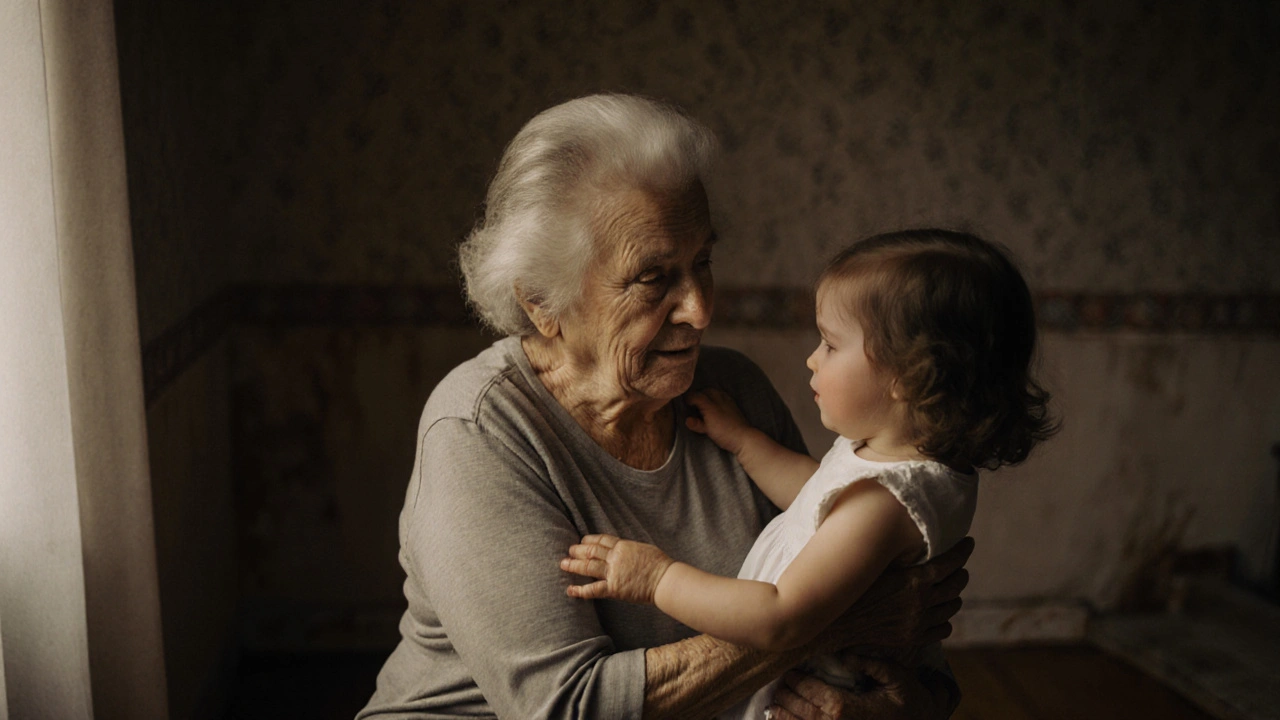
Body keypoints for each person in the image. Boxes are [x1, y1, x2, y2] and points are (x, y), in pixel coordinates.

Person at [358, 95, 971, 720]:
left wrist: (900, 705)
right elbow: (566, 709)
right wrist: (821, 623)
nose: (700, 310)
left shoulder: (732, 394)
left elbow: (906, 624)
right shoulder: (480, 431)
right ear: (543, 301)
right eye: (653, 278)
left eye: (702, 262)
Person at [562, 230, 1058, 719]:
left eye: (831, 345)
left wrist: (658, 578)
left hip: (798, 699)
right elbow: (815, 496)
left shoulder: (883, 504)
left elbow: (778, 617)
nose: (813, 358)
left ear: (908, 377)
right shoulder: (902, 465)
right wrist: (745, 442)